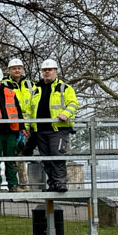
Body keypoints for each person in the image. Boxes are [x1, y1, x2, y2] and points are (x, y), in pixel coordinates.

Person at [28, 59, 79, 192]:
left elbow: (73, 104)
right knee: (46, 159)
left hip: (58, 129)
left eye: (49, 70)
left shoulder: (65, 88)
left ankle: (60, 183)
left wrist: (66, 114)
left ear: (56, 71)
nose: (47, 72)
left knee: (57, 156)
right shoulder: (36, 89)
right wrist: (27, 126)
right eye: (44, 70)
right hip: (40, 130)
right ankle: (52, 184)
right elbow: (29, 110)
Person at [0, 66, 27, 193]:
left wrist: (22, 127)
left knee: (11, 160)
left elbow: (17, 109)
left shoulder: (10, 92)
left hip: (11, 131)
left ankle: (13, 185)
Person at [5, 58, 37, 190]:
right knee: (15, 155)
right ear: (9, 70)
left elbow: (35, 103)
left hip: (29, 125)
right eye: (14, 68)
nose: (17, 70)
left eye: (19, 68)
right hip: (13, 125)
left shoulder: (30, 85)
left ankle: (25, 183)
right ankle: (19, 184)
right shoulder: (5, 84)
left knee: (24, 155)